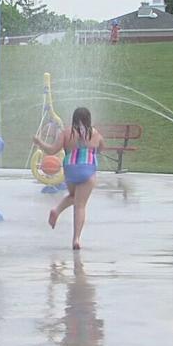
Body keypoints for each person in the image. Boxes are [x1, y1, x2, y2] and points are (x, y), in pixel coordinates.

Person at [33, 107, 105, 250]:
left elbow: (52, 150)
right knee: (80, 205)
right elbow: (101, 148)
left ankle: (57, 210)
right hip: (87, 170)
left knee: (74, 196)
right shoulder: (96, 134)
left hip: (70, 170)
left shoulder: (66, 133)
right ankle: (76, 239)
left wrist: (39, 142)